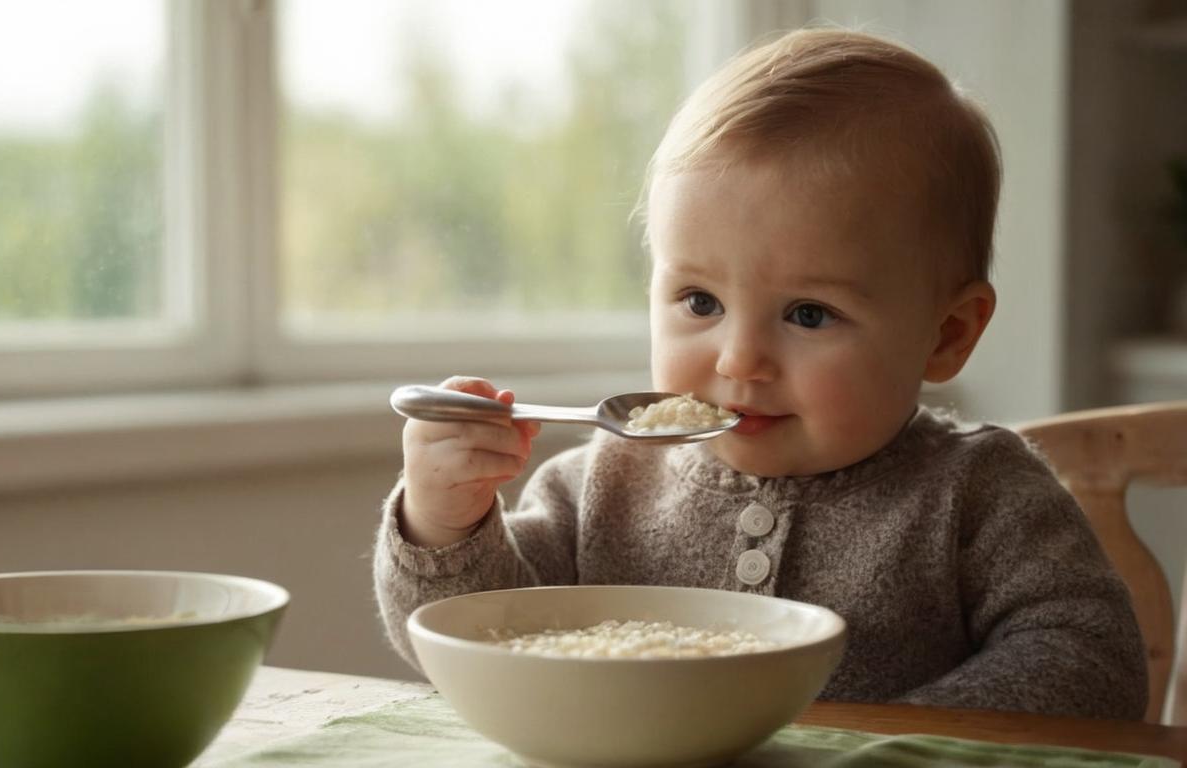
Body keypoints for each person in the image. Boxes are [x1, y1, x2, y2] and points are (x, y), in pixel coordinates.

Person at [372, 27, 1147, 719]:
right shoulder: (598, 488)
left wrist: (875, 741)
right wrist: (445, 523)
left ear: (945, 335)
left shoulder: (979, 492)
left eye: (808, 313)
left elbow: (1088, 662)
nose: (738, 359)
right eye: (699, 300)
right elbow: (485, 645)